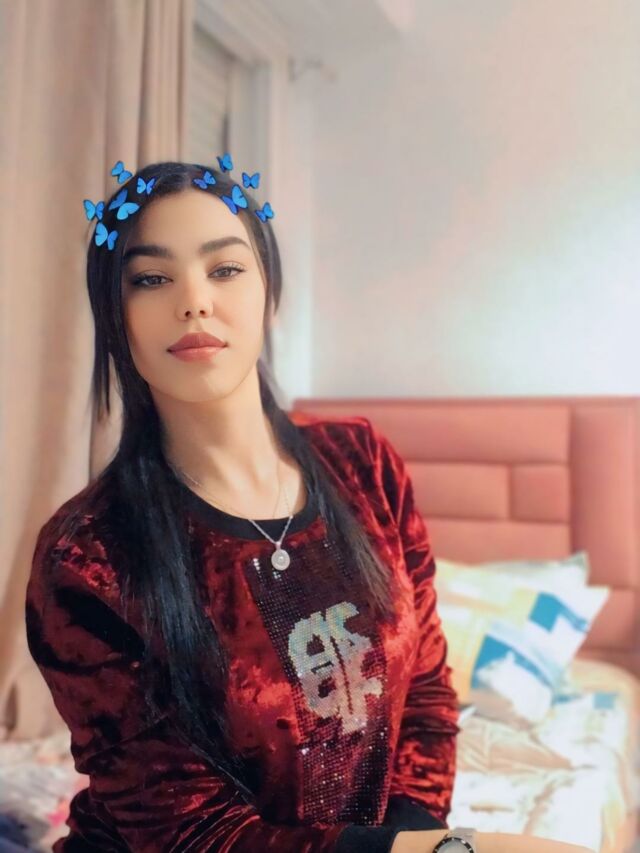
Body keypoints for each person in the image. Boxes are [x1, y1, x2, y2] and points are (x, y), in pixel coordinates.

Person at [25, 159, 591, 853]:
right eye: (151, 279)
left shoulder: (363, 464)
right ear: (114, 316)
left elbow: (425, 694)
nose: (194, 301)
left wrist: (416, 841)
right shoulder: (88, 554)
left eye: (224, 269)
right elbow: (191, 834)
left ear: (269, 291)